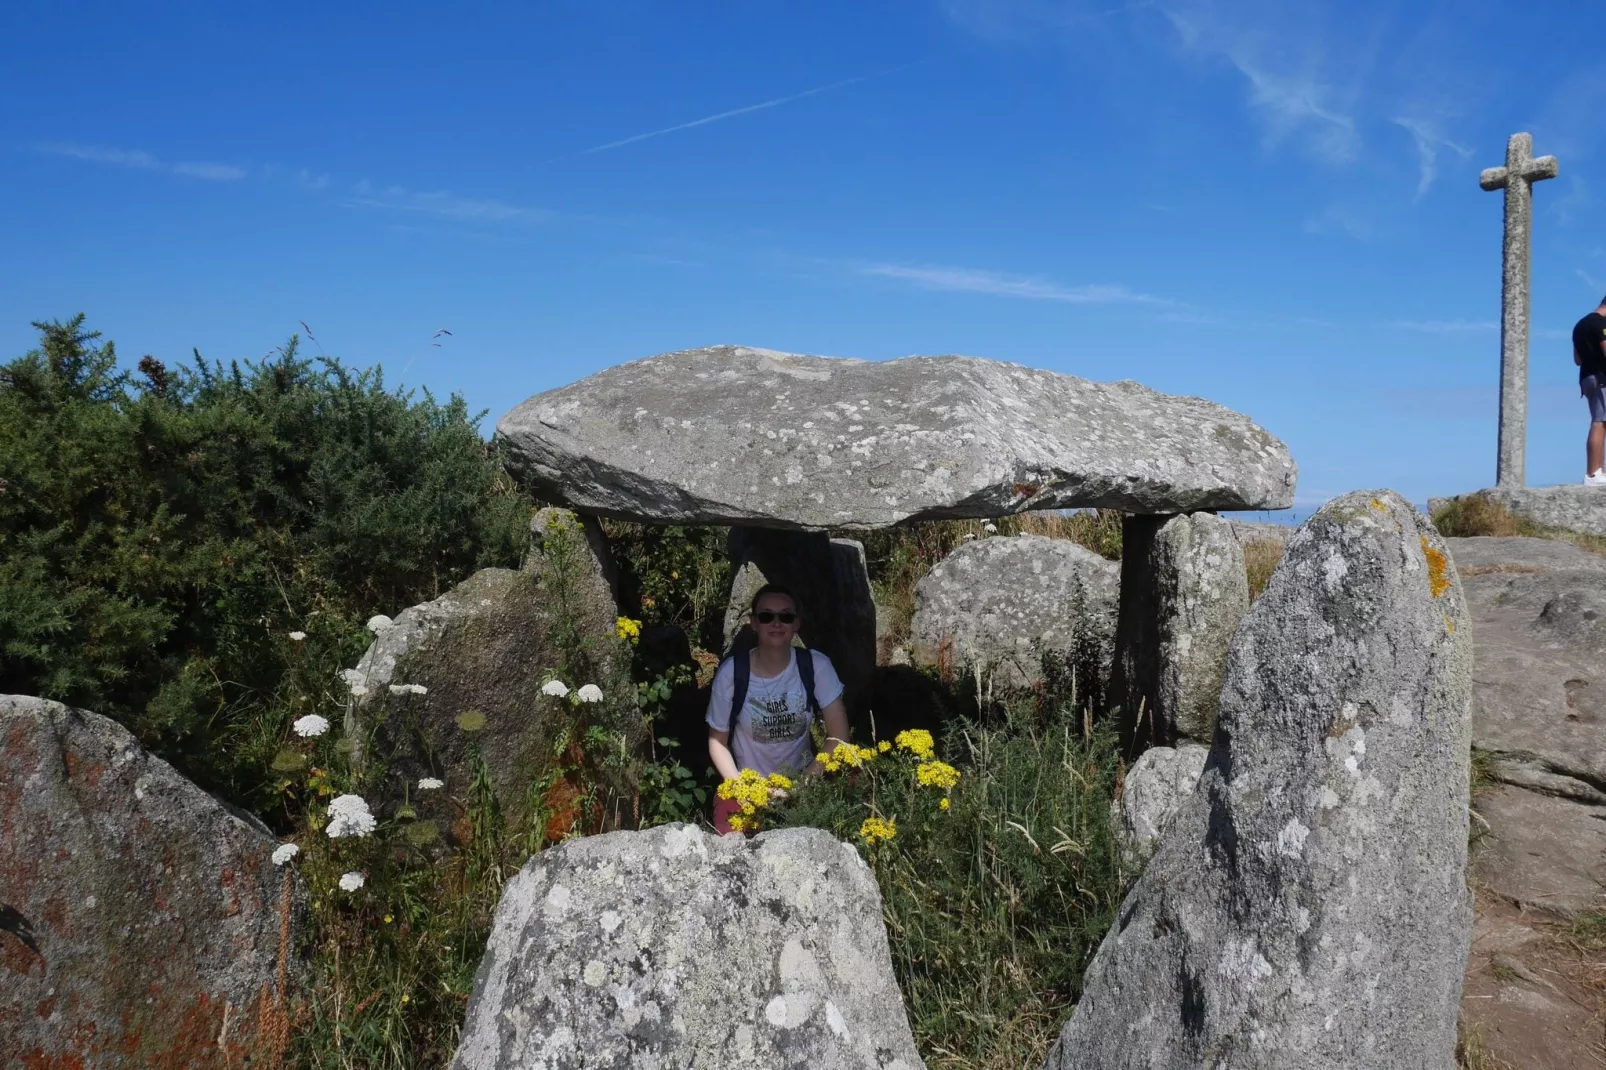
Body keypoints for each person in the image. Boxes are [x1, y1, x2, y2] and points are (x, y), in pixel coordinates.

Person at [706, 584, 851, 834]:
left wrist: (802, 784)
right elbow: (717, 741)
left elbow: (839, 738)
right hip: (749, 784)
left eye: (785, 616)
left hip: (803, 779)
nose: (776, 623)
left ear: (797, 624)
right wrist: (741, 787)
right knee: (728, 837)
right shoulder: (733, 672)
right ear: (754, 623)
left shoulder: (815, 666)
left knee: (851, 779)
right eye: (766, 616)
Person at [1574, 295, 1606, 486]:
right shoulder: (1600, 323)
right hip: (1603, 378)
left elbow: (1577, 359)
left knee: (1601, 420)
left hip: (1587, 378)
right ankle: (1593, 473)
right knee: (1600, 421)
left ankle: (1598, 472)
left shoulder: (1580, 325)